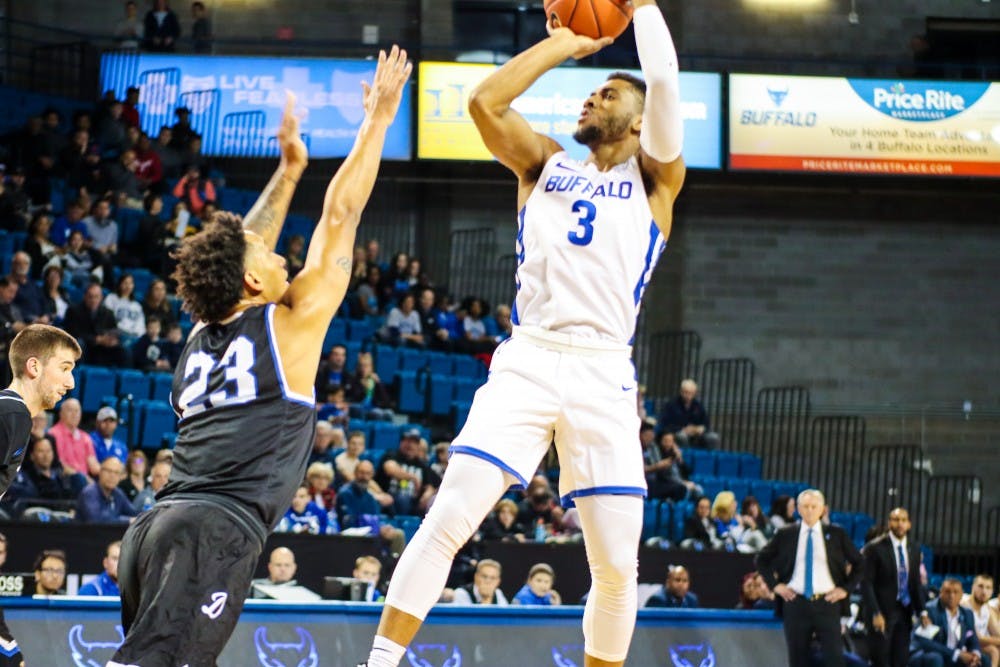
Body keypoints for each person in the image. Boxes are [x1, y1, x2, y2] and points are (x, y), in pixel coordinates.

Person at [362, 3, 685, 665]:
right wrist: (564, 44)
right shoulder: (544, 162)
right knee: (449, 515)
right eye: (595, 88)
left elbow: (668, 85)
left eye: (609, 93)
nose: (593, 97)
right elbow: (484, 103)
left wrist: (645, 5)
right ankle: (379, 661)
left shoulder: (656, 181)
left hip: (602, 369)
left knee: (618, 564)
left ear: (636, 119)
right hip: (530, 356)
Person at [110, 48, 412, 667]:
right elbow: (342, 212)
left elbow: (236, 248)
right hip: (210, 532)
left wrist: (291, 168)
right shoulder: (290, 322)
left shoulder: (202, 325)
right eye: (270, 259)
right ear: (251, 283)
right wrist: (377, 120)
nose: (281, 257)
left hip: (157, 530)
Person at [0, 326, 78, 666]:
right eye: (64, 368)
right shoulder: (11, 414)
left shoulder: (13, 415)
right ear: (34, 367)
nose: (71, 382)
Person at [755, 489, 865, 667]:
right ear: (798, 509)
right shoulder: (786, 534)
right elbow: (761, 559)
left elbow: (860, 563)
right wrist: (775, 586)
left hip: (827, 603)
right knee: (798, 660)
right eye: (805, 506)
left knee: (834, 659)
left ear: (823, 509)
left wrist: (845, 589)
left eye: (814, 506)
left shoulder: (837, 534)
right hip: (795, 603)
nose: (810, 510)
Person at [861, 507, 927, 667]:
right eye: (896, 520)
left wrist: (922, 611)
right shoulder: (874, 548)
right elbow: (866, 583)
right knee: (881, 660)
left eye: (904, 520)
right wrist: (875, 613)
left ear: (909, 524)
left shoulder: (915, 548)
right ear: (889, 522)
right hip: (882, 613)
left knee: (901, 660)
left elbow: (915, 583)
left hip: (905, 612)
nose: (900, 524)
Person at [913, 578, 984, 667]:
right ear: (940, 593)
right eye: (947, 592)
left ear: (962, 594)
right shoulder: (930, 610)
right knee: (936, 658)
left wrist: (975, 654)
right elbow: (923, 641)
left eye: (955, 592)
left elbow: (972, 637)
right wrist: (956, 654)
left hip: (955, 656)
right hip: (932, 654)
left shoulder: (967, 613)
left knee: (983, 660)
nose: (951, 596)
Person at [658, 378, 720, 450]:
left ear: (695, 393)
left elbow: (706, 424)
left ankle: (708, 459)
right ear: (681, 391)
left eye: (691, 393)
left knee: (713, 437)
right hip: (678, 432)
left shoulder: (698, 406)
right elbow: (665, 424)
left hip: (697, 434)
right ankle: (685, 457)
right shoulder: (671, 405)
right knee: (682, 436)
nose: (688, 395)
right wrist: (682, 429)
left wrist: (700, 428)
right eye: (686, 392)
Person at [76, 457, 139, 523]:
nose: (112, 476)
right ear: (100, 472)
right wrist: (128, 520)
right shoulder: (89, 493)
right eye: (109, 471)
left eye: (116, 472)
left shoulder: (118, 494)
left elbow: (134, 512)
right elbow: (97, 520)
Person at [962, 575, 1000, 667]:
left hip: (979, 646)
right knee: (993, 650)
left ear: (992, 591)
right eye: (980, 586)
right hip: (964, 645)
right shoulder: (965, 605)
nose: (984, 591)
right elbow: (977, 638)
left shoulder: (987, 608)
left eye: (988, 588)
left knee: (995, 649)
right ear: (973, 587)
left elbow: (997, 633)